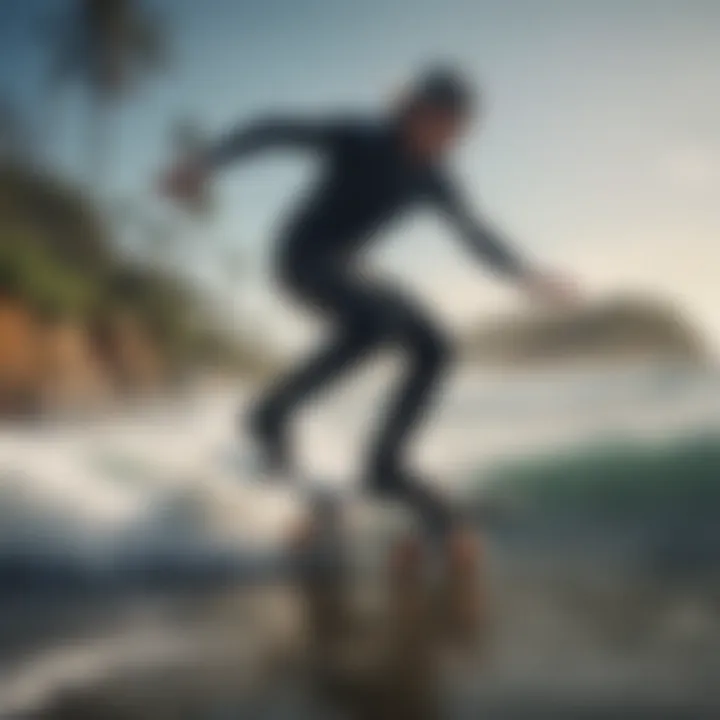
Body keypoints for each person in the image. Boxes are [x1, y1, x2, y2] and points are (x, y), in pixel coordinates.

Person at [161, 65, 577, 539]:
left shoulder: (434, 177)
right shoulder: (361, 137)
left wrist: (524, 274)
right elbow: (274, 129)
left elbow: (474, 232)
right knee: (375, 323)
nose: (452, 138)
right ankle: (273, 414)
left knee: (436, 347)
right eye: (445, 123)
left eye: (461, 129)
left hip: (348, 267)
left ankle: (384, 467)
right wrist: (207, 162)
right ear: (416, 111)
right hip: (301, 258)